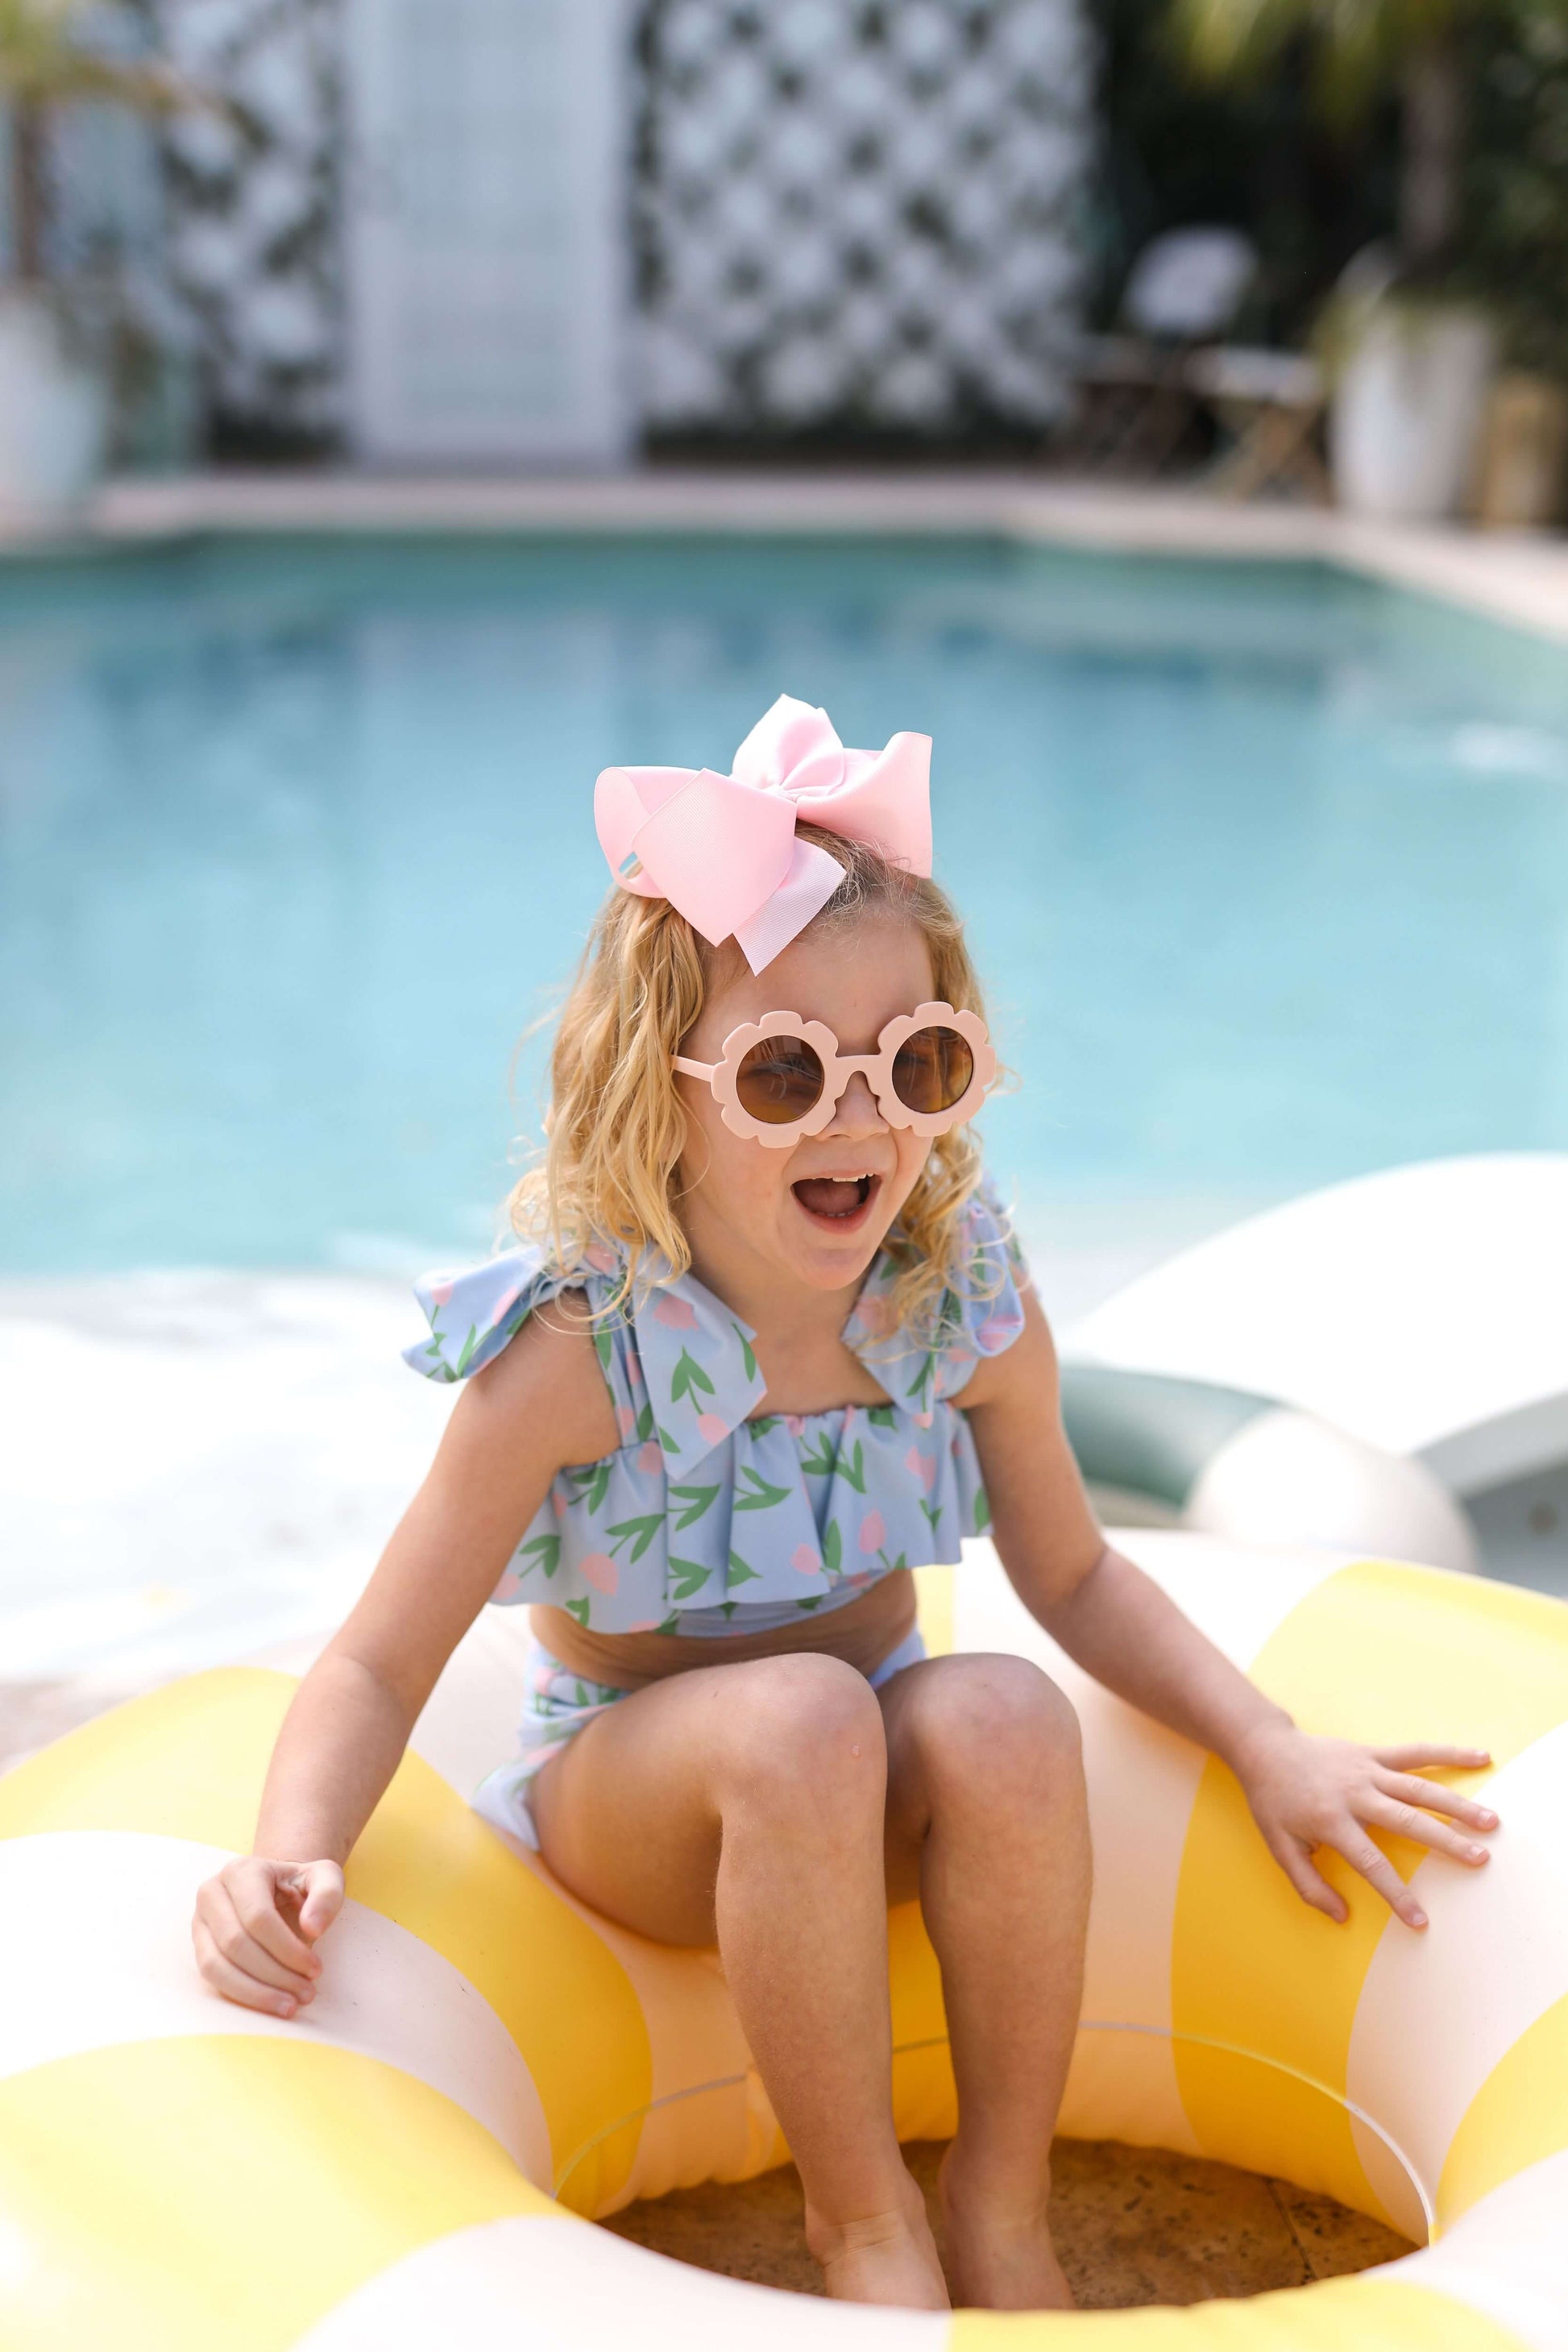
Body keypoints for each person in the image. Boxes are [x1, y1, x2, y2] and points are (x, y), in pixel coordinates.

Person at [191, 696, 1497, 2313]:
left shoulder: (955, 1297)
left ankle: (1000, 2202)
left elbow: (1078, 1575)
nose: (859, 1118)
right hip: (639, 1798)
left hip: (861, 1761)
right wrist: (291, 1850)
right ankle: (858, 2213)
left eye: (917, 1061)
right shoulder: (581, 1353)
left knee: (1009, 1709)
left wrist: (1266, 1738)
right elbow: (381, 1657)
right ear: (651, 1090)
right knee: (802, 1714)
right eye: (789, 1068)